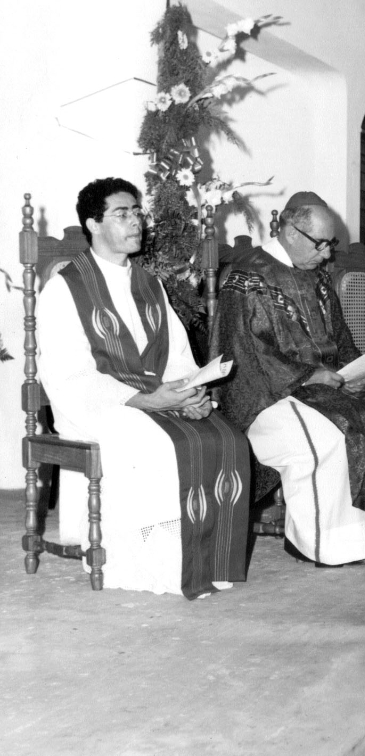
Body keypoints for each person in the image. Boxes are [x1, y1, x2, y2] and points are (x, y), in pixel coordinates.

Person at [38, 177, 250, 598]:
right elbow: (68, 374)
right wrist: (145, 400)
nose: (137, 221)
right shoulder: (65, 288)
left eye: (137, 212)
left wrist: (191, 394)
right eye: (122, 213)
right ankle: (158, 562)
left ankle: (205, 560)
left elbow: (177, 360)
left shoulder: (149, 284)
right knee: (157, 444)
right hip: (101, 407)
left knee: (226, 438)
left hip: (153, 399)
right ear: (93, 224)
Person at [213, 191, 365, 566]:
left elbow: (340, 341)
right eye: (322, 244)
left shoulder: (317, 277)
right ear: (291, 231)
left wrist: (356, 373)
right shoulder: (247, 277)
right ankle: (320, 544)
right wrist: (309, 375)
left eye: (331, 244)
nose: (328, 254)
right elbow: (242, 354)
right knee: (330, 436)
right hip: (267, 396)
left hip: (322, 387)